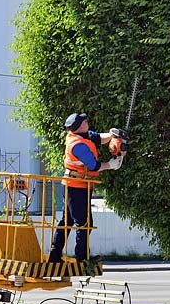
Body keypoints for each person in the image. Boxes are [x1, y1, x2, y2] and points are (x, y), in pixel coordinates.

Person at [48, 112, 124, 263]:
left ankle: (55, 256)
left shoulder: (81, 135)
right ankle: (82, 257)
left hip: (76, 185)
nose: (87, 122)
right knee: (84, 224)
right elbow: (93, 165)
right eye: (85, 121)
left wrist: (111, 135)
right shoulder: (78, 145)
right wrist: (110, 165)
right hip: (76, 187)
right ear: (81, 126)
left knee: (67, 221)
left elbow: (97, 138)